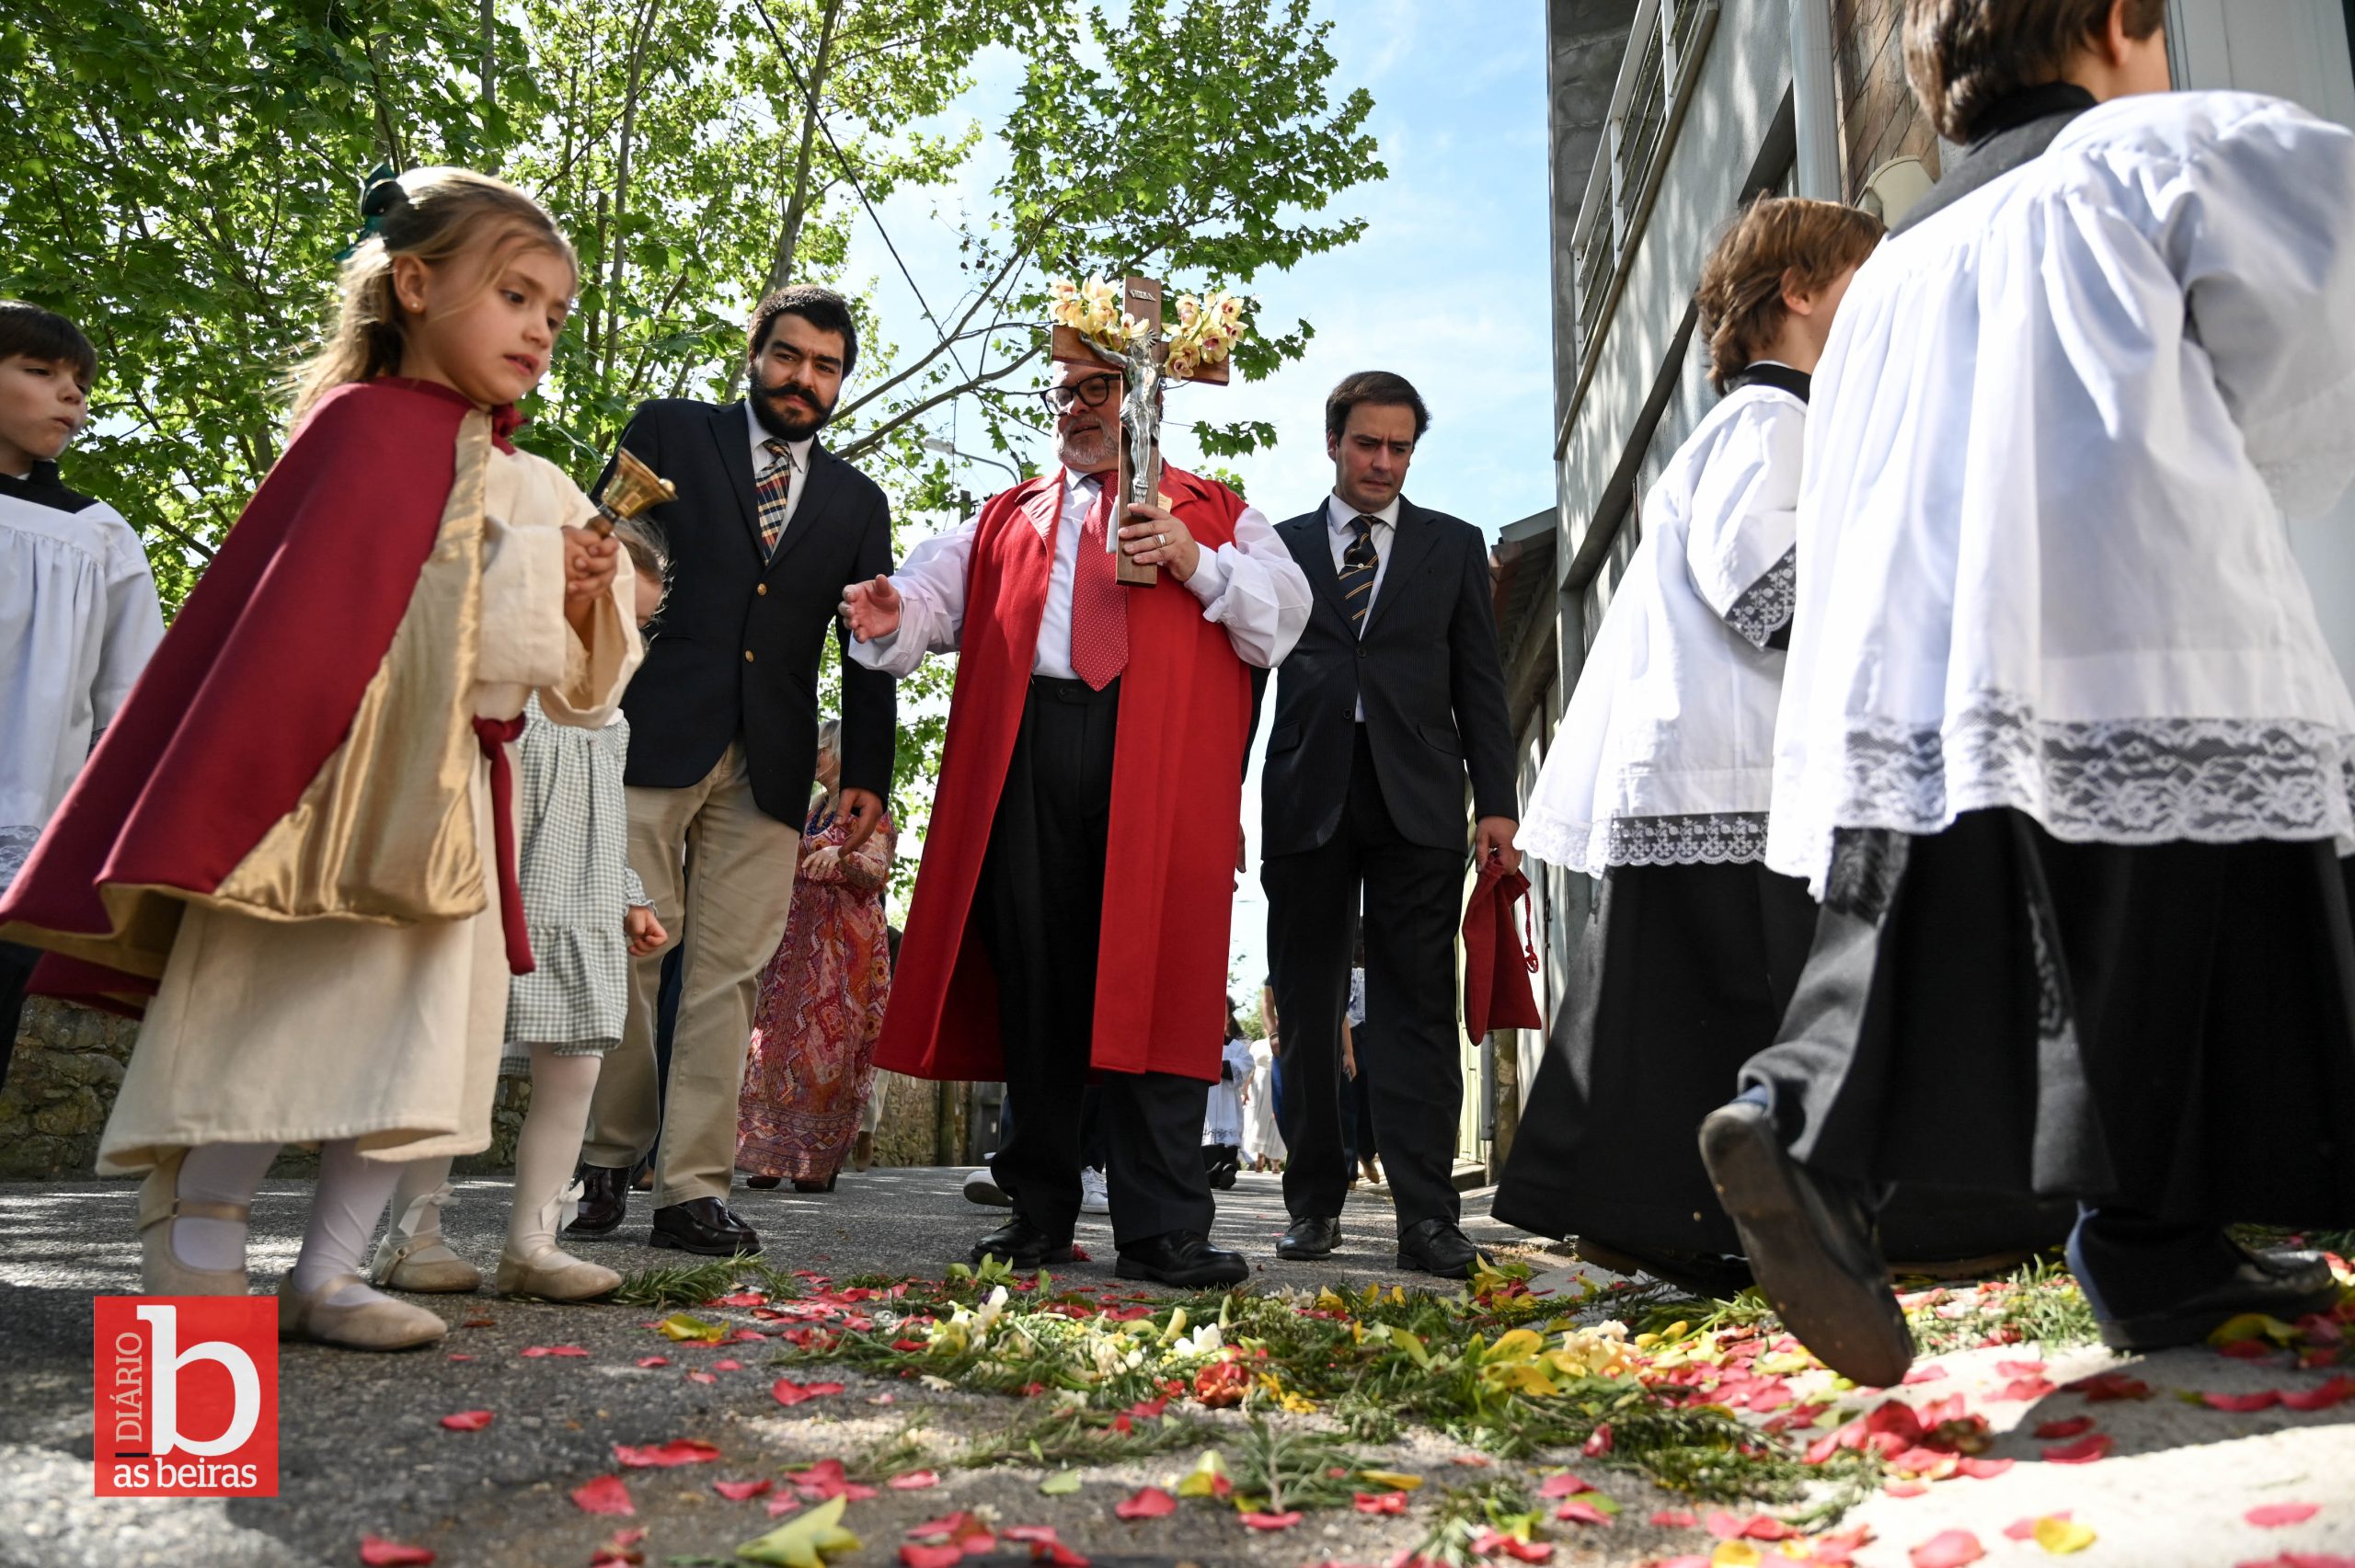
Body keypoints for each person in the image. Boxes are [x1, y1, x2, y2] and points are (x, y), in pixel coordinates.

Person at [1698, 0, 2355, 1387]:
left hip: (1935, 668)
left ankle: (1814, 1128)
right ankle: (2148, 1235)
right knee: (2185, 921)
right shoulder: (2166, 154)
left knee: (1931, 918)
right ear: (2120, 24)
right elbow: (2314, 333)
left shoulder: (1897, 268)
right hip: (2147, 615)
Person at [0, 167, 639, 1350]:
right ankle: (198, 1237)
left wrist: (577, 595)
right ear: (416, 285)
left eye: (554, 310)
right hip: (322, 794)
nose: (540, 329)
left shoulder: (520, 472)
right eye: (513, 295)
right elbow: (328, 620)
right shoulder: (358, 429)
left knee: (414, 1041)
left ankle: (329, 1271)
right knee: (282, 1008)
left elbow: (564, 685)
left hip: (454, 800)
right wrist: (528, 582)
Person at [839, 353, 1312, 1288]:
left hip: (1159, 757)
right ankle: (1039, 1209)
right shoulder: (1005, 517)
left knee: (1158, 976)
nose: (1077, 407)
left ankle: (1163, 1226)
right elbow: (928, 602)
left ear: (1147, 399)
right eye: (1066, 391)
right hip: (1030, 749)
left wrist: (1191, 558)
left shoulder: (1217, 510)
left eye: (1101, 387)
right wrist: (891, 612)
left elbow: (1281, 622)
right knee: (1037, 979)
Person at [570, 284, 896, 1258]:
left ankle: (690, 1191)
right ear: (756, 353)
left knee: (729, 977)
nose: (804, 379)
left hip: (774, 761)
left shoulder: (857, 501)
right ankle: (604, 1155)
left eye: (826, 367)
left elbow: (866, 641)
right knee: (629, 948)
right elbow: (601, 558)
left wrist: (866, 768)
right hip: (650, 730)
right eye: (789, 356)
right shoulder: (670, 431)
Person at [370, 522, 672, 1302]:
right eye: (618, 617)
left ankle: (534, 1242)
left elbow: (605, 818)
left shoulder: (612, 716)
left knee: (576, 1070)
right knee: (454, 1069)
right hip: (499, 896)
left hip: (582, 909)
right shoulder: (509, 688)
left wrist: (630, 895)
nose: (630, 642)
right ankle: (413, 1238)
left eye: (642, 626)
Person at [1259, 372, 1517, 1277]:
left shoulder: (1453, 546)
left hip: (1420, 801)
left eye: (1398, 448)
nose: (1381, 462)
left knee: (1418, 1009)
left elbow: (1480, 683)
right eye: (1366, 443)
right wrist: (1215, 804)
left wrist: (1496, 803)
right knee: (1308, 1006)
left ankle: (1429, 1219)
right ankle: (1313, 1203)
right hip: (1306, 798)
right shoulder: (1278, 546)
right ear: (1333, 442)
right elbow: (1243, 679)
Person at [0, 302, 165, 1089]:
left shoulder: (98, 535)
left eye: (80, 382)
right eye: (40, 371)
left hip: (24, 838)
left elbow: (132, 702)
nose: (71, 393)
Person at [738, 718, 897, 1192]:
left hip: (842, 949)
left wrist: (841, 855)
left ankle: (816, 1161)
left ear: (840, 755)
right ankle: (770, 1153)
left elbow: (876, 871)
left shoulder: (868, 810)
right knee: (770, 1045)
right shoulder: (812, 808)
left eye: (822, 749)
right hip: (793, 943)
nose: (815, 757)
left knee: (827, 1053)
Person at [1202, 1006, 1249, 1190]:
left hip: (1227, 1104)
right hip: (1206, 1103)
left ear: (1228, 1019)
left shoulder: (1236, 1047)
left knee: (1227, 1144)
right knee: (1205, 1146)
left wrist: (1223, 1067)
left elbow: (1247, 1064)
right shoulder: (1199, 1044)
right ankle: (1210, 1174)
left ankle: (1227, 1169)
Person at [1242, 1032, 1285, 1172]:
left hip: (1277, 1082)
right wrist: (1245, 1090)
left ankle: (1276, 1161)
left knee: (1277, 1122)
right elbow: (1249, 1068)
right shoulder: (1257, 1045)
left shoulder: (1286, 1043)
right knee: (1259, 1121)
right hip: (1259, 1087)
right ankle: (1259, 1156)